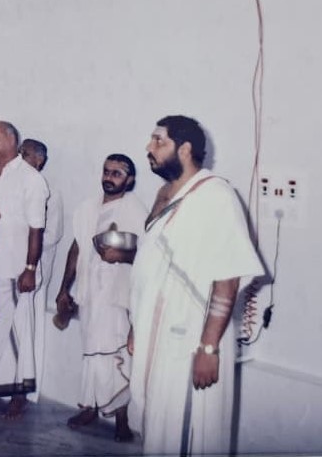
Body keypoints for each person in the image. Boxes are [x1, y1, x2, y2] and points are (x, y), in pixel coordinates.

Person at [129, 115, 264, 455]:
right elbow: (155, 261)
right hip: (156, 328)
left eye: (158, 141)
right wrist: (137, 326)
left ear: (185, 149)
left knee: (185, 430)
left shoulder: (217, 196)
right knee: (158, 426)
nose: (149, 147)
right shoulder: (165, 193)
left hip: (191, 336)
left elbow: (228, 277)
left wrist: (208, 349)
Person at [55, 153, 146, 442]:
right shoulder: (87, 208)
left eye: (117, 173)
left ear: (129, 179)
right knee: (91, 352)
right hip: (89, 291)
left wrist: (122, 255)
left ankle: (121, 419)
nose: (109, 177)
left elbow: (147, 255)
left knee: (115, 353)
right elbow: (76, 248)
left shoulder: (135, 210)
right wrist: (63, 288)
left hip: (118, 293)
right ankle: (90, 407)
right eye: (106, 171)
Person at [0, 121, 49, 419]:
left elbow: (36, 229)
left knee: (20, 331)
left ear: (11, 139)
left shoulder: (31, 179)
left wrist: (29, 268)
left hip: (18, 269)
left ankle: (20, 392)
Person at [18, 138, 64, 407]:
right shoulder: (14, 186)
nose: (21, 158)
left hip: (34, 270)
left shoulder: (50, 191)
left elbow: (52, 235)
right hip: (11, 267)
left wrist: (27, 253)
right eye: (20, 153)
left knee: (29, 330)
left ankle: (23, 391)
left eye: (26, 154)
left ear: (40, 161)